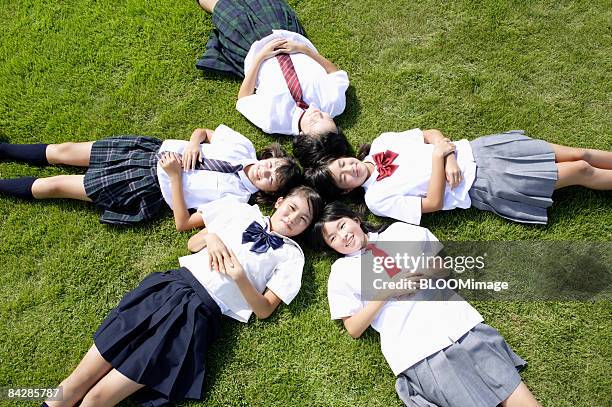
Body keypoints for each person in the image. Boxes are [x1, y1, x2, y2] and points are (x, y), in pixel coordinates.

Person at [42, 186, 323, 407]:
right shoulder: (241, 212)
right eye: (292, 208)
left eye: (302, 220)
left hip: (195, 318)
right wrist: (211, 238)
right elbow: (192, 242)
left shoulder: (291, 255)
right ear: (279, 201)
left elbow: (265, 310)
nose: (292, 218)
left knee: (97, 399)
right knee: (76, 382)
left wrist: (240, 278)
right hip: (168, 290)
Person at [311, 202, 541, 407]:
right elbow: (354, 328)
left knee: (517, 396)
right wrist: (387, 292)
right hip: (419, 351)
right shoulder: (341, 273)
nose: (342, 236)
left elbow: (443, 265)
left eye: (341, 226)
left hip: (460, 326)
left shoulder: (401, 232)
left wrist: (420, 274)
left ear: (355, 220)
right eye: (332, 238)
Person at [0, 124, 302, 229]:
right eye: (273, 166)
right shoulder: (243, 147)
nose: (267, 171)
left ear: (271, 193)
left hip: (144, 186)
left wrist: (173, 177)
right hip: (143, 151)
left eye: (273, 179)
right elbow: (204, 132)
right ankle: (4, 149)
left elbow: (183, 224)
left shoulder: (237, 203)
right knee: (64, 151)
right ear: (271, 157)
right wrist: (195, 143)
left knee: (56, 186)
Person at [306, 128, 612, 225]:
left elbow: (430, 134)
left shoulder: (383, 142)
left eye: (343, 164)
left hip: (484, 150)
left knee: (581, 154)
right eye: (343, 179)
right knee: (581, 170)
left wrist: (447, 154)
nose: (349, 170)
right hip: (482, 184)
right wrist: (440, 160)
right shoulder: (376, 199)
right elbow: (434, 203)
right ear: (346, 192)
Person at [194, 0, 349, 153]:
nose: (317, 113)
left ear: (302, 136)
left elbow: (243, 99)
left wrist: (261, 56)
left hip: (249, 44)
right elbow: (334, 73)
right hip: (286, 31)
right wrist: (303, 49)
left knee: (222, 7)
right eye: (327, 118)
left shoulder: (273, 121)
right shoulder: (335, 104)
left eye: (315, 121)